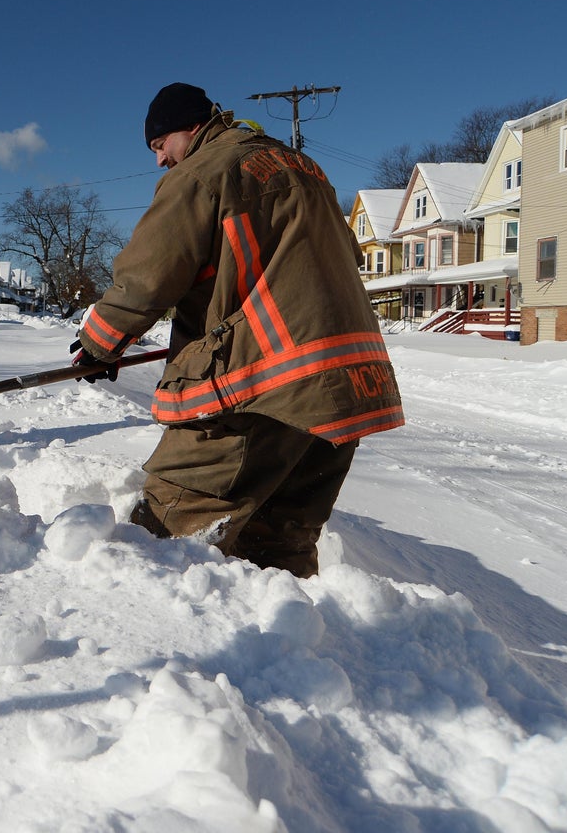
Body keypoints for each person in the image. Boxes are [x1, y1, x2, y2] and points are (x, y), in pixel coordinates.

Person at [72, 83, 403, 577]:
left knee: (162, 546)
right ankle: (283, 650)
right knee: (276, 553)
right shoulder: (305, 169)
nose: (161, 161)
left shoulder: (204, 173)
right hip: (341, 396)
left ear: (189, 128)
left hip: (261, 391)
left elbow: (148, 274)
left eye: (160, 146)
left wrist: (100, 342)